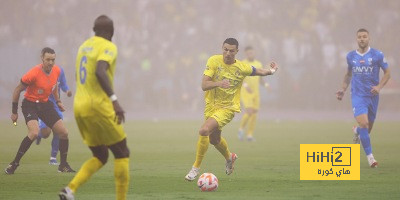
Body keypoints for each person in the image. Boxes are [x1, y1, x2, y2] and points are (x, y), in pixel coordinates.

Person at [185, 38, 278, 181]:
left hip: (228, 108)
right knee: (214, 139)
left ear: (237, 52)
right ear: (222, 48)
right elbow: (204, 85)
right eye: (225, 49)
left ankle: (195, 168)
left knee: (204, 130)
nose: (227, 53)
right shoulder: (213, 61)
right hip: (210, 106)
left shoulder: (242, 67)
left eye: (231, 51)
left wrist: (271, 71)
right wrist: (219, 83)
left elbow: (258, 71)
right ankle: (230, 158)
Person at [59, 15, 130, 200]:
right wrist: (114, 100)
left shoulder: (83, 47)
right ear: (111, 32)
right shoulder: (108, 46)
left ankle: (70, 190)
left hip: (79, 107)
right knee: (122, 151)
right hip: (97, 106)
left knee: (100, 155)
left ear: (94, 29)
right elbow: (100, 71)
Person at [5, 47, 75, 174]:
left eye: (53, 60)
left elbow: (54, 86)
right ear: (42, 58)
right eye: (48, 59)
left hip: (44, 104)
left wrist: (58, 101)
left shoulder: (57, 70)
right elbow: (17, 90)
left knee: (64, 132)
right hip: (30, 104)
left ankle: (63, 165)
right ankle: (14, 164)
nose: (50, 62)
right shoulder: (33, 73)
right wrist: (14, 112)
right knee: (34, 132)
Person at [336, 28, 391, 168]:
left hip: (372, 96)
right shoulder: (350, 56)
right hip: (358, 95)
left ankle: (357, 131)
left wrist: (379, 87)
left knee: (366, 130)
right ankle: (371, 159)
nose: (362, 39)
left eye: (364, 36)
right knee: (365, 124)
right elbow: (348, 74)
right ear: (356, 39)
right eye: (359, 37)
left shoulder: (377, 55)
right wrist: (343, 89)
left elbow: (387, 73)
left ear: (369, 38)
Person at [36, 66, 72, 165]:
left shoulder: (60, 71)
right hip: (44, 106)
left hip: (56, 105)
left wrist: (67, 91)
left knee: (59, 131)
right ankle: (39, 135)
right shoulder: (39, 71)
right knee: (46, 133)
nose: (50, 62)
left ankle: (53, 158)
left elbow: (63, 84)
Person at [238, 46, 270, 141]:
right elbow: (239, 77)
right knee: (249, 111)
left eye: (251, 53)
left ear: (254, 53)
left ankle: (249, 135)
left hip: (256, 92)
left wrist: (267, 85)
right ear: (245, 54)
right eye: (248, 53)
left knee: (254, 113)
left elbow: (260, 79)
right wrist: (245, 85)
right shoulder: (243, 64)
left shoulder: (258, 64)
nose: (250, 54)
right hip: (246, 92)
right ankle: (241, 129)